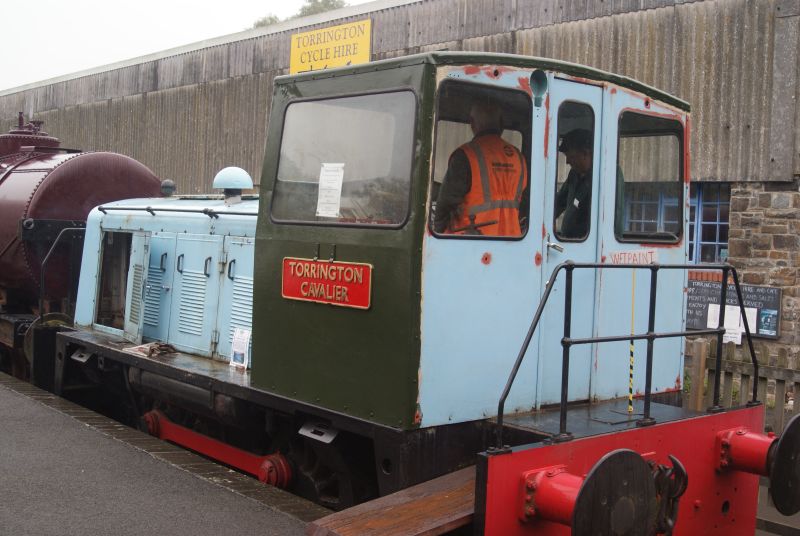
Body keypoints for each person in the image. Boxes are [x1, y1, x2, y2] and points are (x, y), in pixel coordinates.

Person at [434, 100, 528, 236]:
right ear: (501, 124)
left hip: (473, 243)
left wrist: (438, 233)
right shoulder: (519, 158)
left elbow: (446, 203)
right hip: (512, 241)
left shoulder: (466, 156)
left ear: (472, 123)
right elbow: (524, 202)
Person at [555, 128, 593, 239]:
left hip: (585, 244)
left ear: (585, 153)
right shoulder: (574, 174)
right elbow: (559, 202)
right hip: (568, 242)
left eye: (571, 157)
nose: (567, 162)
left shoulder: (609, 174)